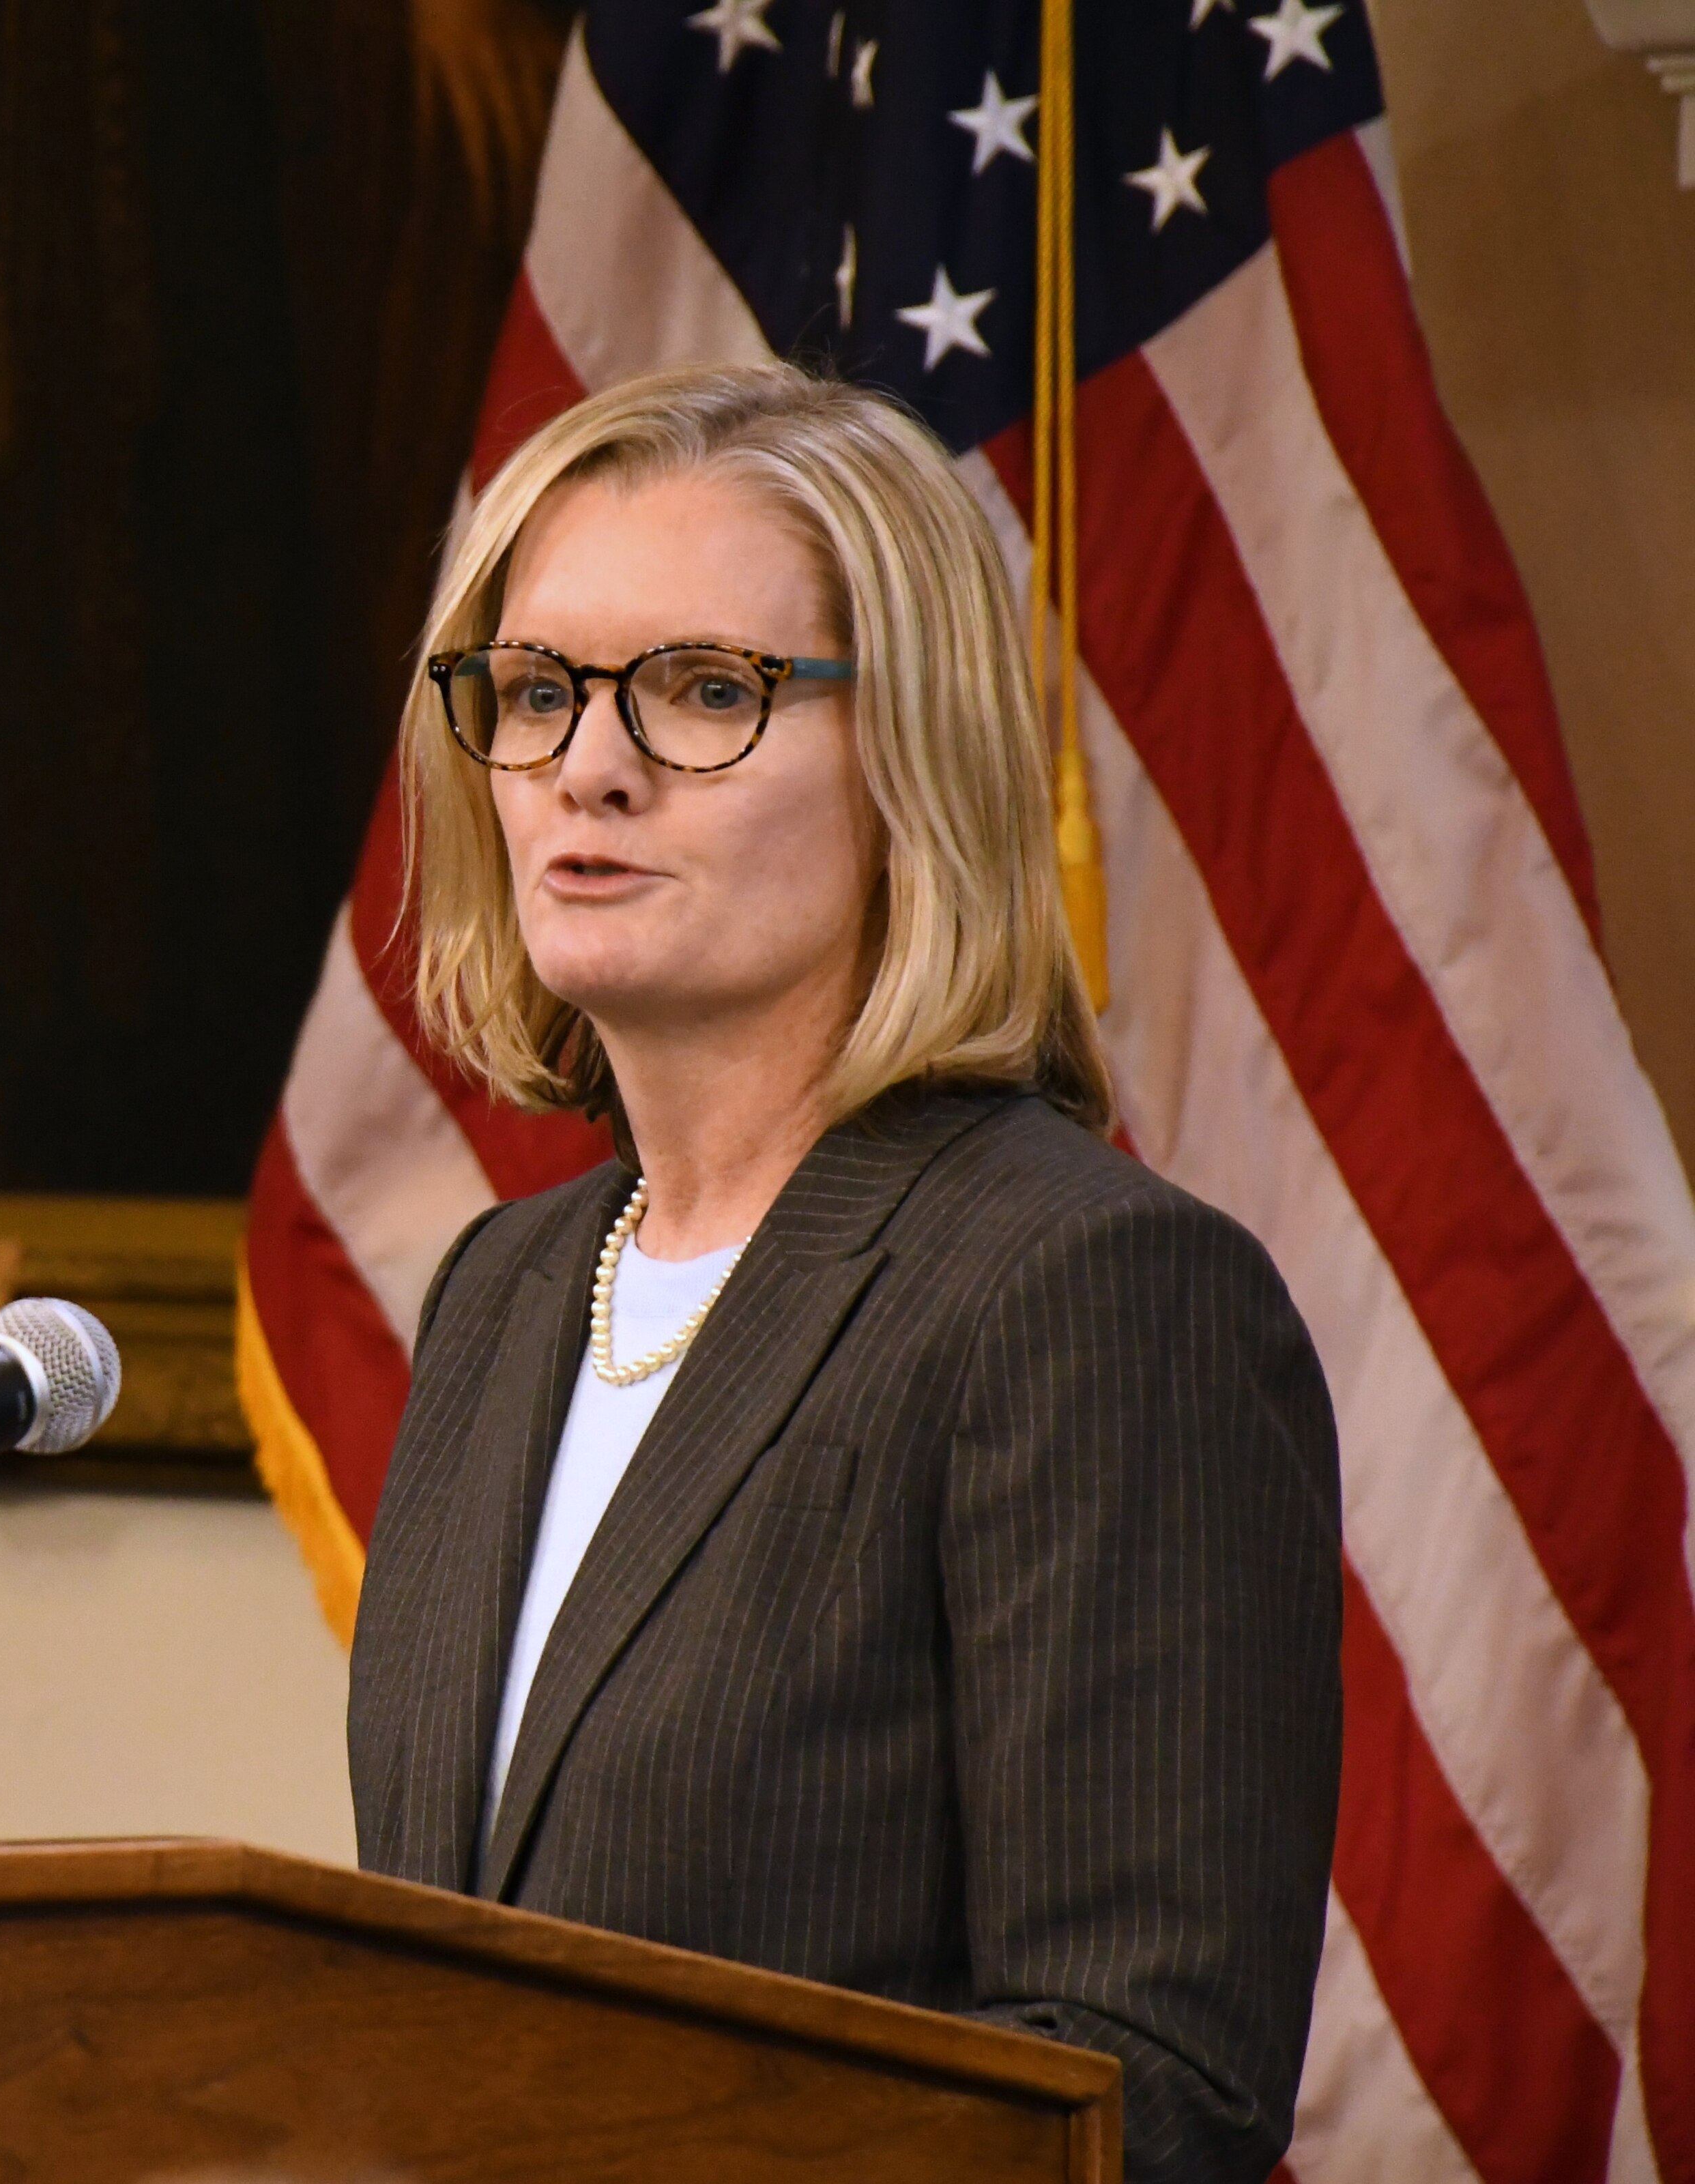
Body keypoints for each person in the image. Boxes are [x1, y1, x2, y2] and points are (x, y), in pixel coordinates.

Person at [343, 361, 1340, 2184]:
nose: (592, 763)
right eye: (540, 691)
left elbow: (1144, 2081)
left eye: (708, 690)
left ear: (916, 752)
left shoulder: (1084, 1291)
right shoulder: (503, 1291)